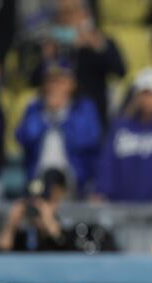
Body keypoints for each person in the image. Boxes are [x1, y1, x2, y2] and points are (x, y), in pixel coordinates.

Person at [94, 67, 152, 204]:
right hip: (120, 208)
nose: (147, 99)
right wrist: (102, 191)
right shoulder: (120, 127)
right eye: (144, 93)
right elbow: (107, 163)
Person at [15, 59, 102, 196]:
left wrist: (62, 116)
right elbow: (25, 137)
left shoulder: (84, 108)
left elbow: (86, 139)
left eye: (60, 81)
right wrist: (46, 114)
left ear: (72, 84)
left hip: (75, 180)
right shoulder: (35, 108)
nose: (54, 87)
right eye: (50, 81)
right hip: (38, 179)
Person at [32, 0, 126, 125]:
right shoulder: (52, 45)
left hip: (92, 115)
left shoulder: (101, 42)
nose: (68, 19)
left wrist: (97, 46)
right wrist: (47, 57)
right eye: (63, 13)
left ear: (85, 14)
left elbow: (120, 71)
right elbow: (34, 81)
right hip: (55, 116)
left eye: (73, 11)